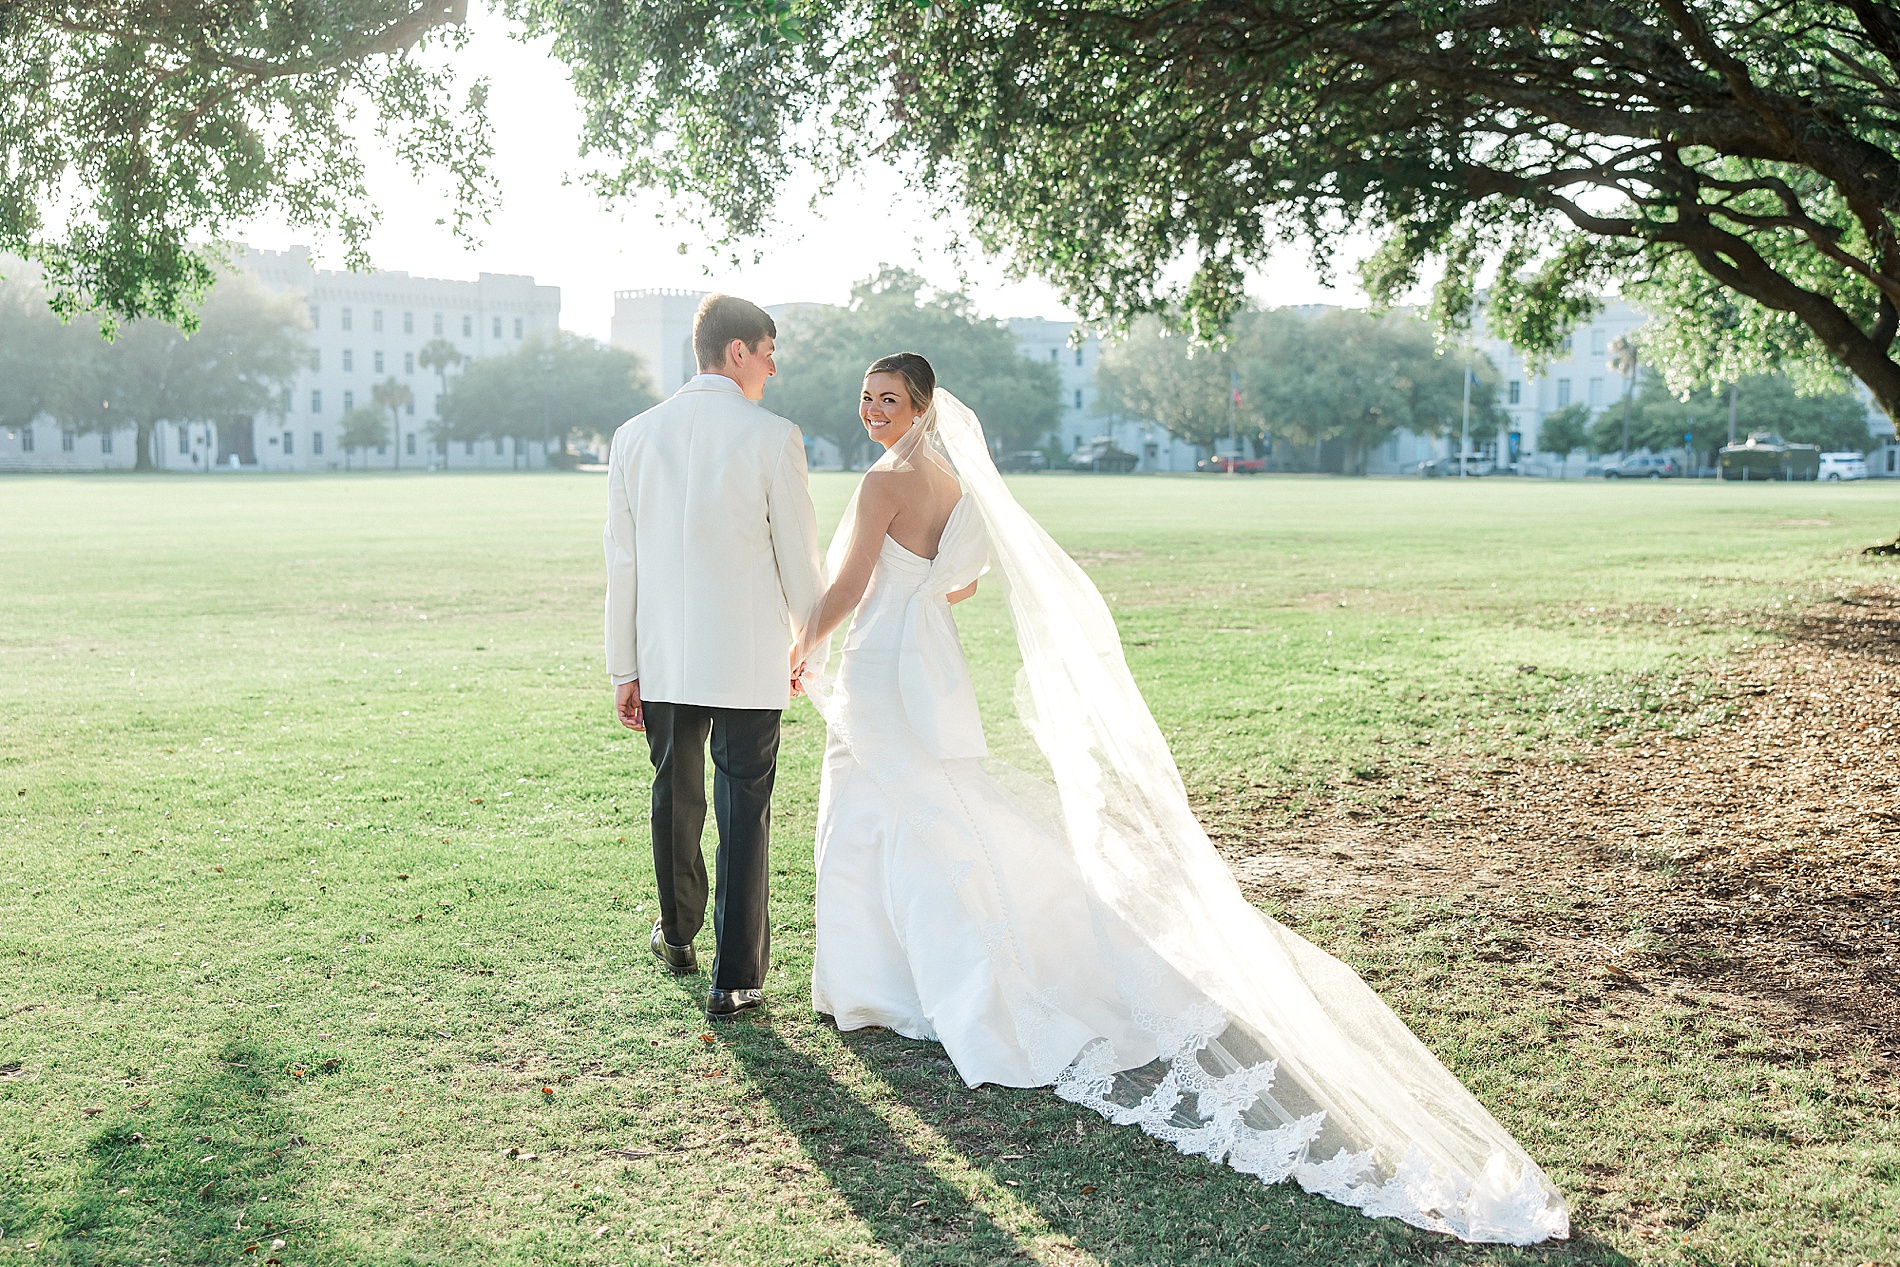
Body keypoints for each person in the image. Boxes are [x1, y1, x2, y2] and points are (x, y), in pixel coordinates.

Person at [793, 353, 1570, 1244]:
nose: (871, 411)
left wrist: (801, 641)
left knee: (888, 808)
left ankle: (890, 986)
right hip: (929, 661)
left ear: (923, 407)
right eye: (866, 397)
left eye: (887, 399)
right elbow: (963, 581)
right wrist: (922, 591)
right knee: (924, 810)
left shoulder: (887, 480)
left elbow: (850, 584)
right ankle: (906, 980)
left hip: (885, 662)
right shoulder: (954, 480)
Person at [603, 293, 823, 1020]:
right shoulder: (773, 436)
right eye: (768, 351)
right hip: (749, 656)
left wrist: (623, 666)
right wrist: (808, 641)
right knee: (743, 808)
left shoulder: (633, 435)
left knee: (675, 795)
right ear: (737, 351)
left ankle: (676, 935)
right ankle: (736, 976)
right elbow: (798, 557)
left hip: (664, 654)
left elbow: (622, 565)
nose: (772, 365)